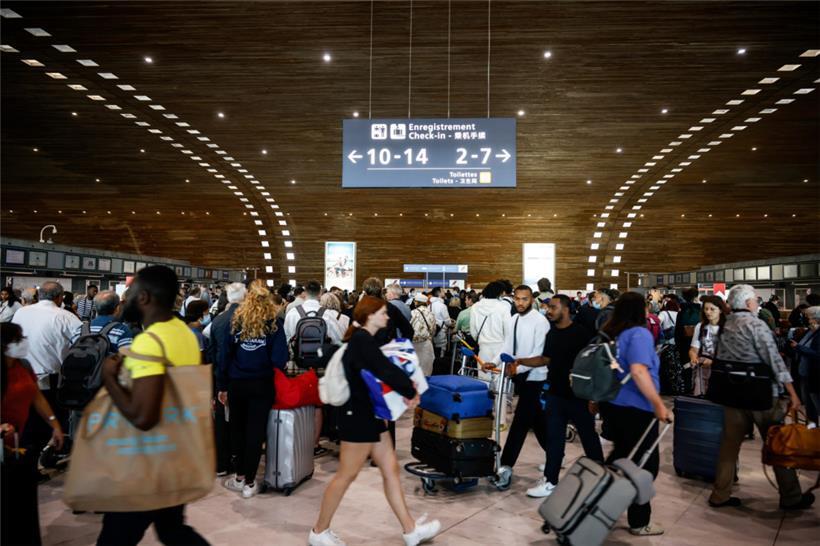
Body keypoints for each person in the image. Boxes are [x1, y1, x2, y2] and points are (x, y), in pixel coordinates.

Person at [309, 296, 440, 546]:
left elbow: (383, 370)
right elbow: (385, 370)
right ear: (369, 315)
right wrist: (410, 391)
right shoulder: (361, 340)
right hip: (358, 419)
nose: (387, 316)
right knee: (345, 476)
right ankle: (318, 531)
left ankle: (410, 530)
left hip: (370, 416)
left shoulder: (362, 339)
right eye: (383, 312)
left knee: (390, 470)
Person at [97, 266, 208, 545]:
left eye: (130, 293)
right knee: (172, 530)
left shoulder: (149, 342)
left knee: (114, 538)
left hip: (146, 460)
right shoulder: (184, 334)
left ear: (144, 297)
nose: (126, 299)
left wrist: (109, 378)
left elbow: (143, 416)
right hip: (177, 453)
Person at [707, 284, 813, 511]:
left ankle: (720, 494)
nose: (757, 303)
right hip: (759, 394)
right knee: (777, 444)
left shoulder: (726, 325)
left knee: (728, 447)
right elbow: (774, 361)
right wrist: (793, 394)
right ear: (747, 304)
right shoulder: (756, 325)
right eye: (755, 299)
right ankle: (791, 496)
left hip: (731, 395)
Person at [513, 295, 602, 497]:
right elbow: (545, 359)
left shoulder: (582, 334)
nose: (548, 311)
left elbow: (594, 366)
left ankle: (600, 478)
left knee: (589, 438)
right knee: (554, 439)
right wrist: (521, 362)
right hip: (555, 395)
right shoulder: (552, 334)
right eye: (547, 307)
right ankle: (550, 481)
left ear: (566, 309)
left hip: (579, 397)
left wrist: (594, 397)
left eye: (553, 307)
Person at [598, 292, 670, 536]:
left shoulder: (614, 335)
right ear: (640, 310)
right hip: (637, 409)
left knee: (621, 459)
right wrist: (658, 404)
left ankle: (595, 501)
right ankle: (639, 521)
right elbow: (639, 372)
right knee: (645, 467)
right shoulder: (639, 334)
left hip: (616, 406)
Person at [218, 281, 287, 499]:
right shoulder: (275, 322)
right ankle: (250, 482)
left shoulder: (236, 320)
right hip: (263, 383)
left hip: (237, 383)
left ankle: (239, 476)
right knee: (256, 432)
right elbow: (280, 359)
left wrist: (222, 386)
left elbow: (224, 356)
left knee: (237, 429)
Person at [2, 322, 66, 546]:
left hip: (20, 441)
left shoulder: (24, 365)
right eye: (17, 339)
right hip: (2, 445)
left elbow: (36, 395)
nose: (22, 343)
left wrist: (55, 424)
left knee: (20, 501)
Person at [491, 286, 551, 489]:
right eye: (517, 299)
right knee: (537, 420)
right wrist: (494, 361)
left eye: (524, 299)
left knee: (520, 422)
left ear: (532, 299)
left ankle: (505, 466)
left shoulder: (540, 322)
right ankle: (555, 454)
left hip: (535, 376)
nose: (520, 303)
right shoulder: (513, 319)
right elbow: (507, 346)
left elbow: (539, 353)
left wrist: (518, 367)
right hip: (518, 375)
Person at [12, 282, 81, 452]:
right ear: (59, 297)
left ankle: (26, 460)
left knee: (26, 425)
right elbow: (82, 345)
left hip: (21, 376)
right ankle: (46, 452)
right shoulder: (66, 317)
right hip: (51, 380)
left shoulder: (21, 312)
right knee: (48, 424)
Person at [205, 281, 246, 477]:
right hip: (241, 376)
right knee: (241, 420)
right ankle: (239, 460)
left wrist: (219, 383)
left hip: (221, 377)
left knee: (222, 420)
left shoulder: (218, 321)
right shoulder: (248, 319)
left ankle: (222, 462)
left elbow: (212, 352)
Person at [687, 296, 729, 397]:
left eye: (712, 309)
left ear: (720, 310)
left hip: (721, 371)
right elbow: (694, 349)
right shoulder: (700, 326)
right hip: (702, 370)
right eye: (706, 309)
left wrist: (713, 361)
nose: (708, 312)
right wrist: (693, 357)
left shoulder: (728, 328)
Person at [284, 280, 343, 346]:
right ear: (320, 294)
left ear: (305, 293)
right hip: (322, 354)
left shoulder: (292, 313)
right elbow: (339, 340)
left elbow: (286, 339)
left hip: (298, 354)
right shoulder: (328, 314)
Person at [469, 281, 512, 367]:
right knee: (499, 378)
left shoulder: (475, 307)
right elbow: (509, 332)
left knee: (483, 378)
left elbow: (473, 331)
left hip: (483, 349)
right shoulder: (503, 307)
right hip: (500, 350)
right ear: (500, 293)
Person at [361, 278, 414, 346]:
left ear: (365, 292)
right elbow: (408, 330)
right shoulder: (391, 307)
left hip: (367, 351)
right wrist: (401, 347)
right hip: (388, 350)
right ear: (381, 291)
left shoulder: (359, 309)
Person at [791, 306, 820, 425]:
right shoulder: (811, 331)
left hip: (814, 374)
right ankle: (812, 431)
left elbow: (817, 354)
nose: (807, 320)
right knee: (809, 405)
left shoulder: (818, 334)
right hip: (805, 373)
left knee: (815, 404)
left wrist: (798, 347)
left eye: (809, 318)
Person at [409, 294, 436, 377]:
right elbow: (433, 330)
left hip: (414, 344)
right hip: (426, 344)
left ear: (417, 302)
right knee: (426, 371)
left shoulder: (412, 313)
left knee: (414, 370)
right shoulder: (431, 313)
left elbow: (409, 327)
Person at [428, 287, 451, 358]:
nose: (444, 292)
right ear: (439, 293)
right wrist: (451, 323)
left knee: (433, 354)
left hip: (432, 332)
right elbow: (447, 322)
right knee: (441, 353)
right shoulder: (442, 306)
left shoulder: (429, 306)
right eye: (442, 291)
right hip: (441, 333)